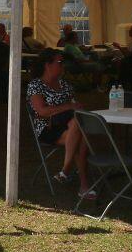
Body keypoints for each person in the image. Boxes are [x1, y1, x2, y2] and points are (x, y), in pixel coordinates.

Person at [26, 48, 95, 200]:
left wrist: (75, 106)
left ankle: (65, 171)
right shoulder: (36, 85)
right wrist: (68, 107)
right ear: (47, 65)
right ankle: (83, 185)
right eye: (60, 62)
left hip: (68, 125)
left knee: (78, 127)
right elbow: (42, 111)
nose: (63, 66)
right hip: (47, 128)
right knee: (80, 138)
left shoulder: (65, 85)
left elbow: (74, 104)